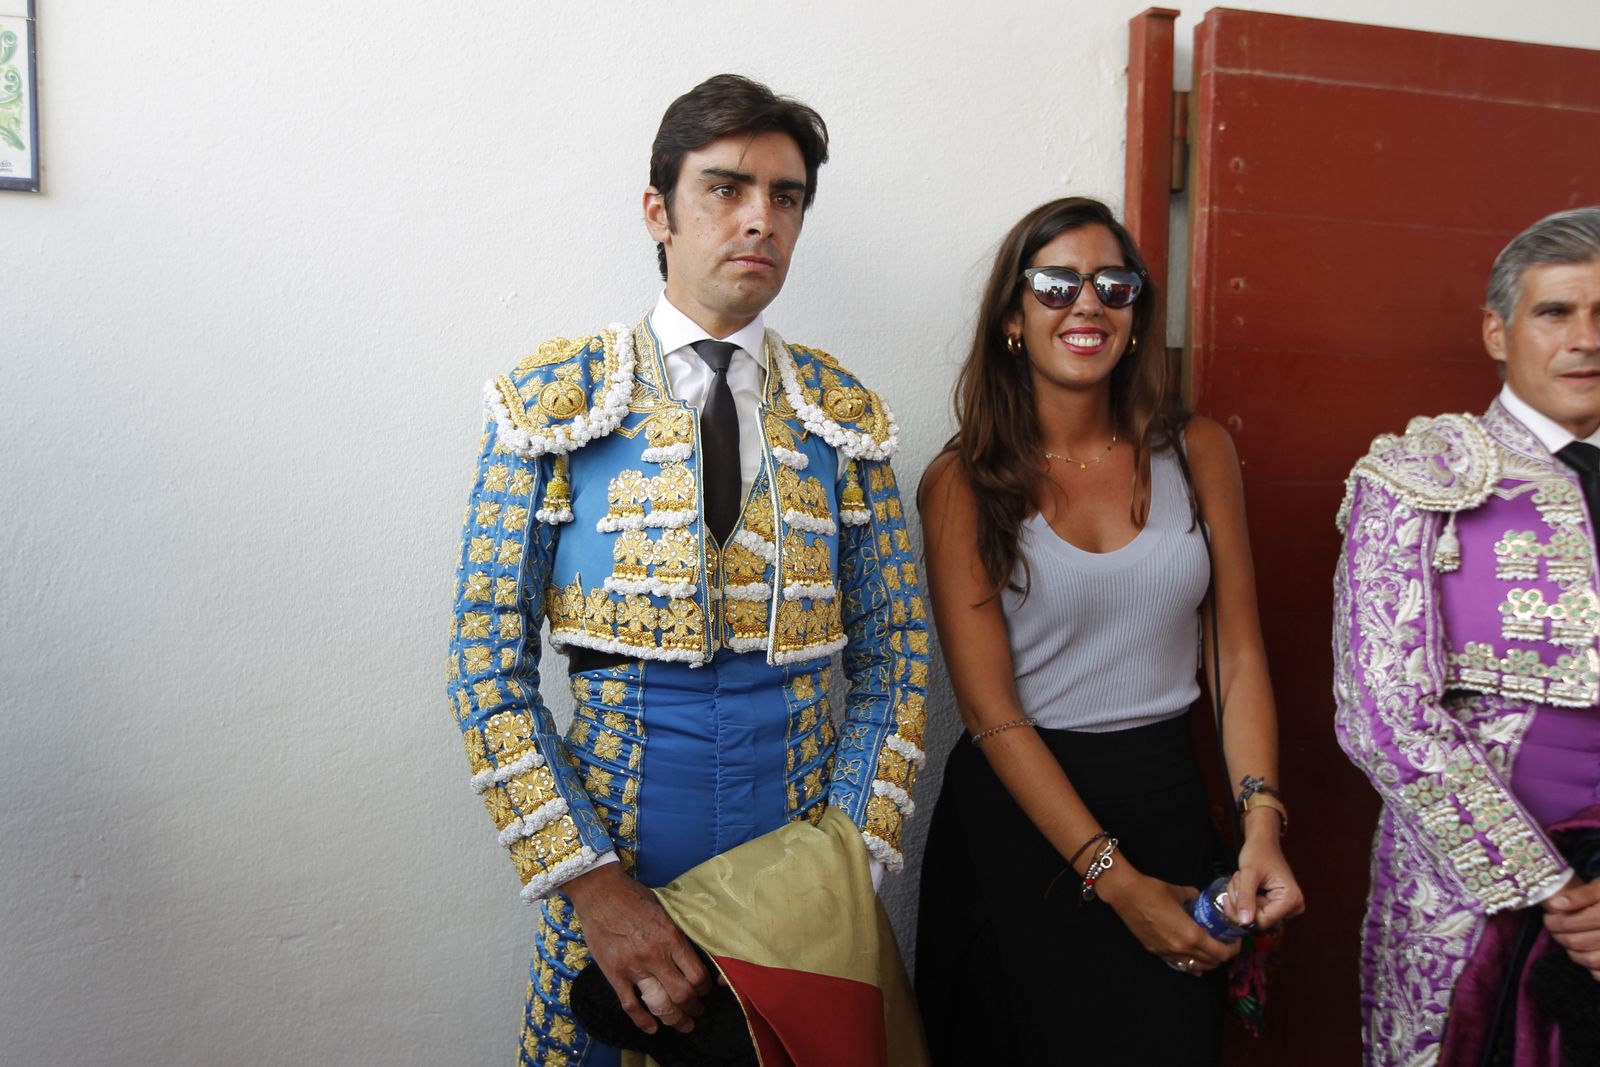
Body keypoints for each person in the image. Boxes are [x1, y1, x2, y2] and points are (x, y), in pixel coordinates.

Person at [445, 74, 928, 1066]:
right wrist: (592, 886)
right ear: (658, 210)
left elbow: (900, 663)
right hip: (615, 862)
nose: (759, 219)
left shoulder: (844, 414)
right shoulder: (554, 403)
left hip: (800, 873)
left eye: (785, 196)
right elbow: (483, 673)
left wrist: (841, 861)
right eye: (726, 188)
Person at [913, 196, 1303, 1065]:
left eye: (1113, 285)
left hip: (1167, 796)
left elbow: (1237, 659)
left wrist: (1261, 826)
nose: (1087, 304)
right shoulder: (961, 481)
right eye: (1056, 283)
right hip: (1023, 830)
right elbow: (992, 715)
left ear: (1136, 315)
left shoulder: (1198, 450)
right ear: (1014, 317)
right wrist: (1118, 885)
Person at [1334, 206, 1600, 1066]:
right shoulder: (1423, 474)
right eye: (1555, 311)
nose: (1585, 339)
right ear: (1499, 330)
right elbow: (1383, 714)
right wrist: (1556, 890)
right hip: (1470, 887)